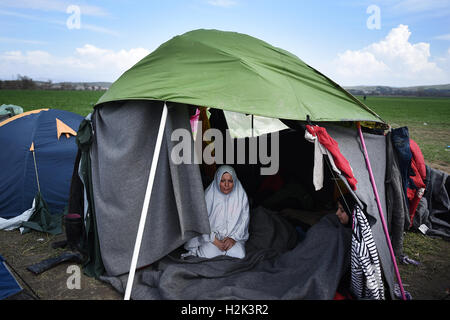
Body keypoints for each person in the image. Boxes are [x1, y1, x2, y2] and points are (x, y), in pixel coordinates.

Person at [183, 165, 250, 259]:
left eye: (230, 181)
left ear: (234, 180)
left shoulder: (241, 195)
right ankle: (213, 249)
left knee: (240, 254)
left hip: (232, 238)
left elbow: (244, 220)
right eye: (223, 181)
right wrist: (214, 240)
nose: (226, 185)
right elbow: (201, 222)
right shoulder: (209, 195)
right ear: (218, 180)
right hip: (212, 239)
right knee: (207, 254)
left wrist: (233, 238)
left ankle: (226, 248)